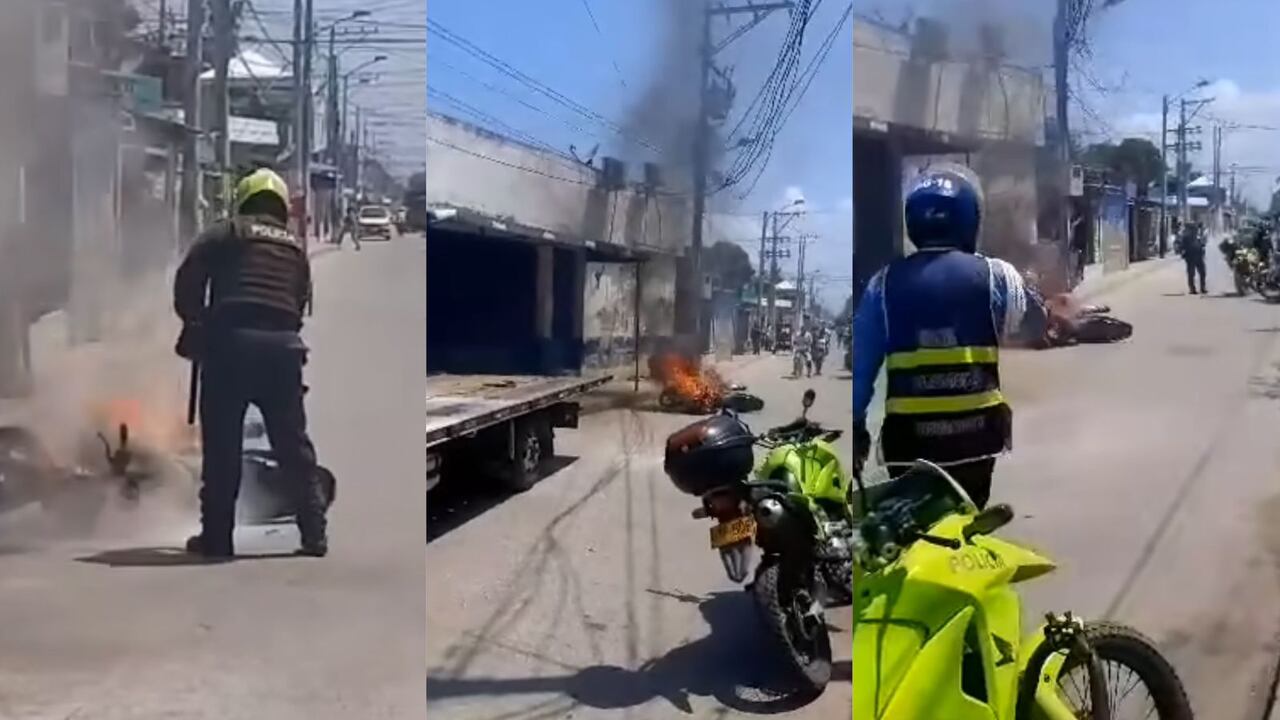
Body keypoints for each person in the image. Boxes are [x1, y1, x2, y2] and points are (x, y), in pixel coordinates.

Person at [852, 164, 1041, 509]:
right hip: (977, 441)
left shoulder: (882, 285)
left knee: (910, 534)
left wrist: (857, 427)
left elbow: (861, 372)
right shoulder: (996, 276)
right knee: (969, 521)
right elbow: (1033, 324)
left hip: (908, 446)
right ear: (969, 218)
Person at [173, 168, 329, 558]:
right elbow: (298, 302)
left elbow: (189, 276)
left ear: (243, 200)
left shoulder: (227, 232)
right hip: (283, 351)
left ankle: (217, 538)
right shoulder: (295, 248)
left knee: (223, 448)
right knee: (292, 446)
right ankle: (314, 534)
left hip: (231, 348)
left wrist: (194, 322)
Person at [1178, 221, 1207, 295]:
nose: (1195, 229)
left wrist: (1202, 248)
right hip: (1190, 257)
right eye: (1193, 228)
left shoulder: (1198, 236)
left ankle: (1202, 288)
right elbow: (1181, 246)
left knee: (1202, 272)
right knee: (1191, 273)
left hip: (1199, 256)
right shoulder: (1186, 237)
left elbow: (1202, 245)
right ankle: (1192, 289)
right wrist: (1182, 253)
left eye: (1195, 228)